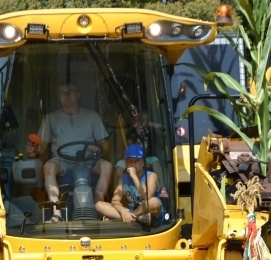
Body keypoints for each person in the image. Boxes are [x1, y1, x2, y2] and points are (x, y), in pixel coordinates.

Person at [26, 80, 113, 222]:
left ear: (78, 95)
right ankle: (56, 213)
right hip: (62, 161)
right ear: (58, 96)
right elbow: (41, 149)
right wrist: (33, 148)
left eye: (70, 92)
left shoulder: (92, 116)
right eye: (62, 93)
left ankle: (99, 205)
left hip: (89, 160)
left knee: (107, 166)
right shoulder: (51, 118)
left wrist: (98, 147)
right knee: (48, 167)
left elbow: (106, 145)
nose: (66, 95)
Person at [97, 144, 166, 224]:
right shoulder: (123, 179)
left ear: (143, 162)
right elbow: (115, 201)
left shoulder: (151, 175)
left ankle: (129, 218)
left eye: (136, 161)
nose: (133, 164)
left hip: (150, 211)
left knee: (154, 202)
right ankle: (138, 218)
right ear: (126, 163)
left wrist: (134, 176)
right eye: (130, 161)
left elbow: (147, 196)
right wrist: (123, 211)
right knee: (99, 205)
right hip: (131, 210)